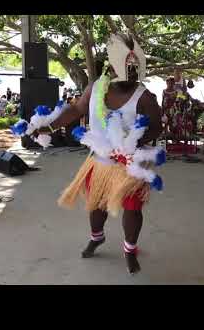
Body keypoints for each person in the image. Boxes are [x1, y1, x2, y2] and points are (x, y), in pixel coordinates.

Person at [44, 33, 162, 274]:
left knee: (132, 208)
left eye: (135, 69)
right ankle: (97, 237)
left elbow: (157, 127)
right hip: (98, 162)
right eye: (127, 68)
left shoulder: (144, 97)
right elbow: (76, 109)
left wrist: (132, 145)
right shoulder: (96, 87)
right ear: (113, 68)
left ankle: (130, 249)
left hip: (128, 165)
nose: (132, 73)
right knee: (95, 206)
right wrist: (47, 126)